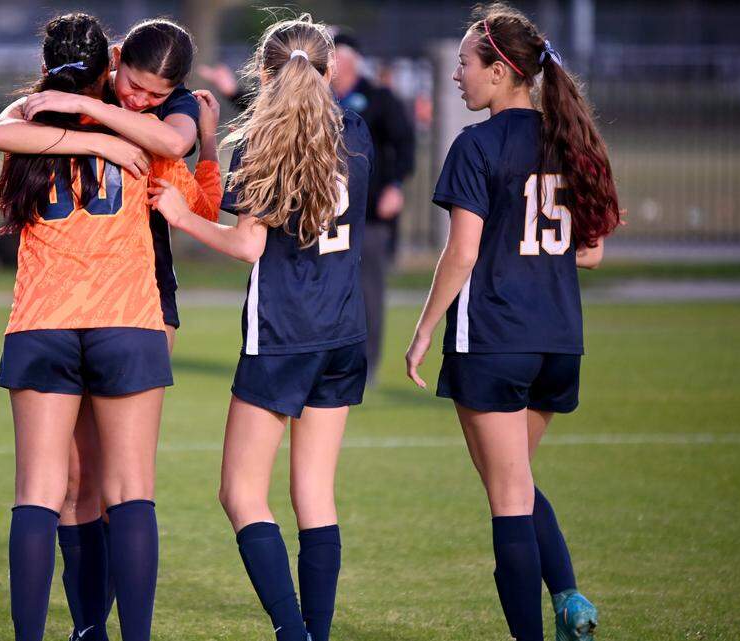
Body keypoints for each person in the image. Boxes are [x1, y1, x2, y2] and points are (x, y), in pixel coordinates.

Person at [0, 18, 221, 641]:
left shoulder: (29, 130)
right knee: (129, 490)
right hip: (127, 320)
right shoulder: (143, 137)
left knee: (42, 493)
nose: (141, 99)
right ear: (110, 66)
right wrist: (198, 147)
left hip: (43, 322)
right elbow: (202, 202)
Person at [149, 15, 372, 641]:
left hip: (283, 334)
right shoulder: (356, 131)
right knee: (315, 497)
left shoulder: (265, 139)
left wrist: (180, 216)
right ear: (328, 71)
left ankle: (292, 632)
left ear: (264, 74)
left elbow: (249, 245)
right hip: (344, 330)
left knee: (241, 494)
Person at [403, 4, 620, 640]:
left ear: (499, 71)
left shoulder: (477, 144)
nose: (456, 76)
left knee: (507, 499)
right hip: (559, 341)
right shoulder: (571, 138)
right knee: (517, 481)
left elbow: (462, 252)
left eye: (464, 64)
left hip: (494, 339)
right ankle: (570, 598)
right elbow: (592, 252)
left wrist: (422, 331)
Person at [330, 32, 415, 387]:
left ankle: (366, 366)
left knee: (368, 291)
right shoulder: (319, 99)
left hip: (369, 215)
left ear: (349, 61)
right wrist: (233, 92)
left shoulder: (378, 98)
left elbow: (405, 144)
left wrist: (395, 185)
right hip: (327, 217)